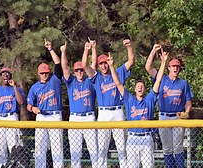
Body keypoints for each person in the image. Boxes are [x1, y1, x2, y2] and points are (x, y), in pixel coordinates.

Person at [108, 49, 168, 168]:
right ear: (135, 89)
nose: (140, 88)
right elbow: (118, 84)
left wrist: (163, 62)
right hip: (132, 138)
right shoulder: (130, 99)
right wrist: (111, 66)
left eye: (142, 86)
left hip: (146, 138)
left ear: (144, 89)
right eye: (138, 86)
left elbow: (159, 81)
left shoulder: (149, 99)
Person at [82, 39, 135, 167]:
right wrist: (86, 50)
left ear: (109, 62)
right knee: (102, 149)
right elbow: (84, 65)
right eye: (101, 64)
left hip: (117, 112)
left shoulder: (117, 72)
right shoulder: (97, 77)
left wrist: (129, 47)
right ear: (99, 66)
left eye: (105, 63)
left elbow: (131, 61)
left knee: (122, 148)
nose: (104, 66)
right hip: (103, 113)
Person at [145, 44, 193, 168]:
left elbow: (188, 101)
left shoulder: (183, 83)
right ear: (168, 68)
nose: (175, 68)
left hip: (177, 117)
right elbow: (148, 67)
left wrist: (187, 112)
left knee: (178, 147)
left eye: (177, 66)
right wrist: (153, 51)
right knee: (167, 148)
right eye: (173, 66)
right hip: (164, 116)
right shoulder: (162, 79)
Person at [60, 39, 98, 167]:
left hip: (89, 117)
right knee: (75, 153)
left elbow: (93, 64)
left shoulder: (90, 81)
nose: (79, 72)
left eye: (81, 70)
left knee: (94, 151)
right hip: (75, 118)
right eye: (77, 71)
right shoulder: (71, 82)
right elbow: (64, 67)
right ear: (74, 72)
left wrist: (91, 49)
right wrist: (63, 53)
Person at [26, 38, 64, 168]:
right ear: (38, 74)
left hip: (55, 115)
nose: (44, 75)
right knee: (40, 148)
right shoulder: (35, 87)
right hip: (41, 116)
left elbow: (58, 64)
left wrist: (50, 49)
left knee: (57, 148)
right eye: (42, 73)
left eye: (46, 72)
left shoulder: (55, 80)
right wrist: (33, 109)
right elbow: (28, 105)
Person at [0, 67, 25, 168]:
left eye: (8, 74)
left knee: (14, 147)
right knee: (0, 149)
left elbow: (21, 102)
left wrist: (15, 87)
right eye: (3, 74)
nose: (5, 75)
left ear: (11, 76)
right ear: (0, 77)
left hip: (11, 117)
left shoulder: (17, 89)